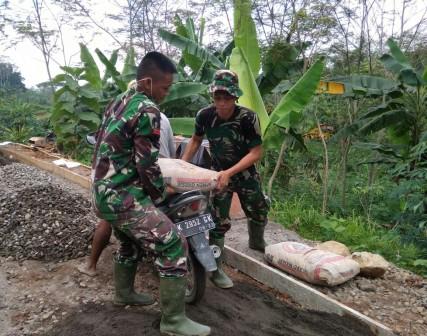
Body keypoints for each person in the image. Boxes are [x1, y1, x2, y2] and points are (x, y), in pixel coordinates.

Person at [91, 51, 210, 336]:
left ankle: (124, 293)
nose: (167, 94)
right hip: (122, 196)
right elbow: (147, 164)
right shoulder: (147, 110)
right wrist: (160, 193)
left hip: (102, 191)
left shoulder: (119, 101)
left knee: (129, 241)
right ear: (147, 82)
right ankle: (172, 321)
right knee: (172, 243)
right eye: (165, 87)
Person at [182, 70, 270, 290]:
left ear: (235, 97)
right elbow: (195, 141)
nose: (222, 103)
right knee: (217, 223)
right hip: (219, 176)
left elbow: (256, 152)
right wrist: (182, 164)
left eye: (227, 98)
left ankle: (256, 241)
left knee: (259, 210)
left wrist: (231, 172)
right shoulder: (204, 115)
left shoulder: (248, 118)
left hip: (245, 174)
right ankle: (217, 268)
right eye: (217, 98)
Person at [78, 110, 175, 277]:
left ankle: (91, 265)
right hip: (165, 172)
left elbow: (138, 160)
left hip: (143, 178)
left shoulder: (124, 117)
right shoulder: (162, 117)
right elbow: (172, 151)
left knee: (108, 220)